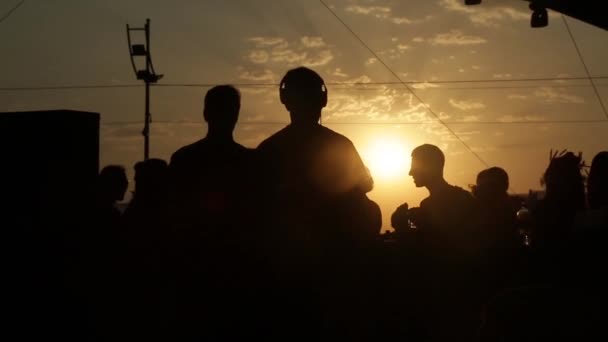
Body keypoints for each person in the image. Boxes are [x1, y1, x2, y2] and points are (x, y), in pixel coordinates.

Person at [255, 67, 381, 339]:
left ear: (285, 100)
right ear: (323, 100)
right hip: (333, 270)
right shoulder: (340, 145)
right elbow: (365, 185)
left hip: (284, 270)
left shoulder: (269, 149)